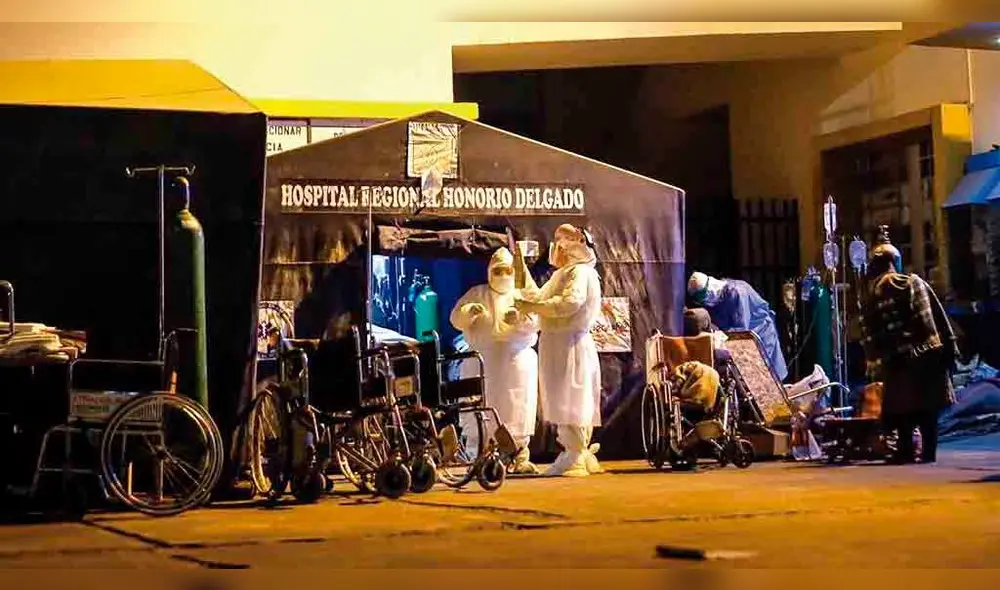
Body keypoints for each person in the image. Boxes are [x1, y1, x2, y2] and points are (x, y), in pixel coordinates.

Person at [859, 233, 957, 464]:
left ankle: (904, 451)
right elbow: (934, 320)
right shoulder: (914, 283)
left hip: (896, 362)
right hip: (925, 358)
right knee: (927, 411)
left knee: (902, 410)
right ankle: (927, 453)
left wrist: (875, 361)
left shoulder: (873, 294)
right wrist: (947, 347)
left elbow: (869, 334)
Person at [514, 224, 603, 477]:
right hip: (557, 343)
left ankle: (575, 455)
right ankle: (573, 452)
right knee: (561, 396)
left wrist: (532, 305)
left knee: (571, 397)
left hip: (569, 344)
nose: (556, 247)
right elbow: (538, 298)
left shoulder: (580, 273)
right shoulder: (561, 274)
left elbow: (568, 304)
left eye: (561, 240)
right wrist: (521, 271)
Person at [450, 247, 541, 474]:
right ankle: (475, 455)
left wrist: (521, 319)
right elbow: (455, 319)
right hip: (481, 363)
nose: (502, 275)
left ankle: (520, 456)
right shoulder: (477, 293)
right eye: (497, 270)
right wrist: (468, 312)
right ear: (490, 271)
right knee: (478, 409)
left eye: (506, 270)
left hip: (517, 363)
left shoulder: (523, 294)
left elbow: (538, 320)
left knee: (518, 409)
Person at [687, 272, 788, 382]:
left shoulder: (737, 292)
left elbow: (741, 329)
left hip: (761, 336)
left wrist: (720, 337)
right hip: (742, 341)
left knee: (769, 379)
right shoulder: (716, 300)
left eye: (704, 299)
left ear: (710, 290)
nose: (705, 303)